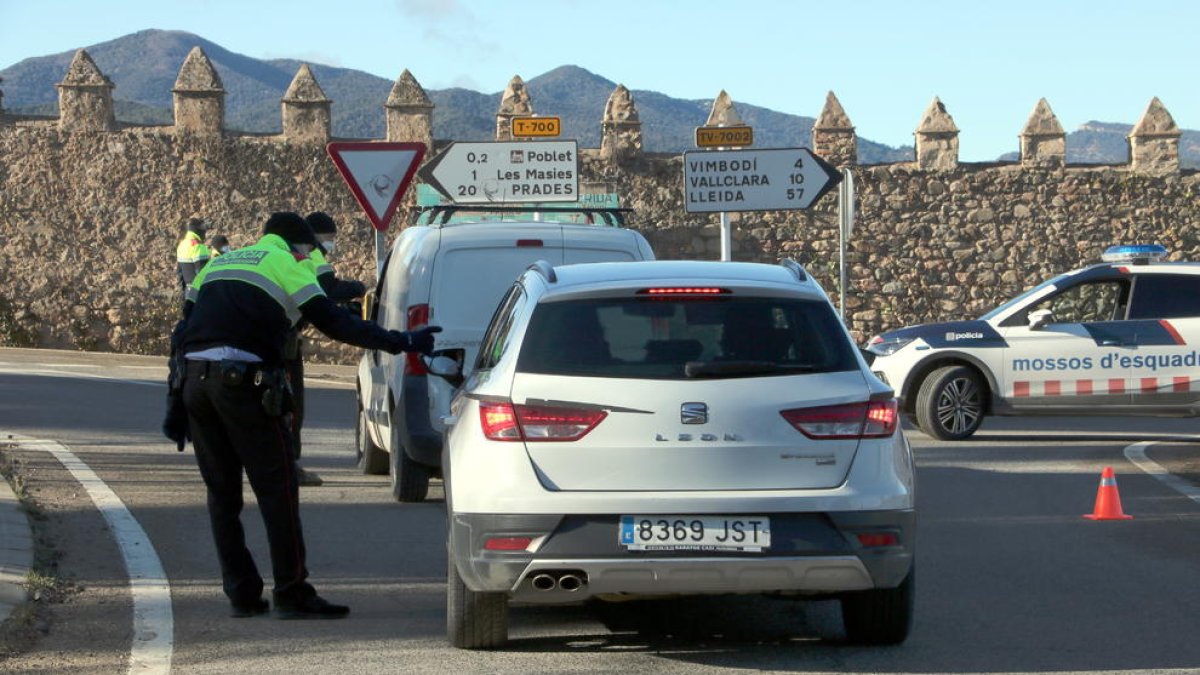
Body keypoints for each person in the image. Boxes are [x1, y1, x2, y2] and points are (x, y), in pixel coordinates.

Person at [171, 211, 439, 620]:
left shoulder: (219, 263)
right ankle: (292, 593)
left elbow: (182, 329)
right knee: (278, 490)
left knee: (222, 495)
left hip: (195, 383)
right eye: (308, 251)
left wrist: (175, 400)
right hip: (242, 385)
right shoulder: (285, 262)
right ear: (297, 246)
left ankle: (241, 594)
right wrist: (401, 341)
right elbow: (334, 321)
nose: (308, 257)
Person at [279, 211, 369, 486]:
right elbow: (329, 290)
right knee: (291, 405)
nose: (331, 244)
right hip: (282, 341)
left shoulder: (273, 254)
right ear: (316, 236)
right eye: (330, 238)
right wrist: (360, 287)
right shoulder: (312, 254)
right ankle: (289, 466)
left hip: (255, 338)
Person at [176, 217, 211, 294]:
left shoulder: (181, 245)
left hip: (188, 291)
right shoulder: (198, 246)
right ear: (196, 230)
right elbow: (203, 273)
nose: (204, 232)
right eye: (202, 229)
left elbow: (179, 272)